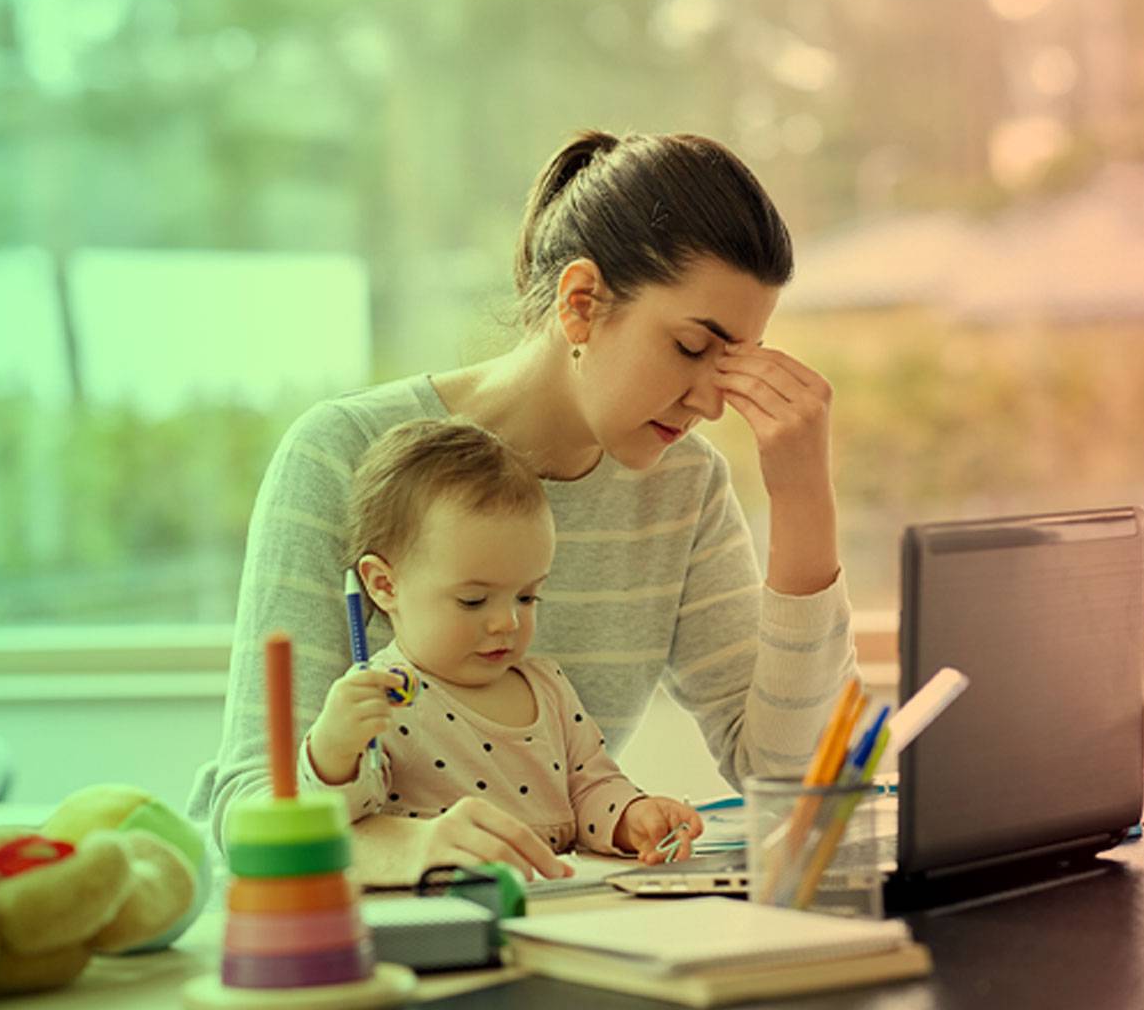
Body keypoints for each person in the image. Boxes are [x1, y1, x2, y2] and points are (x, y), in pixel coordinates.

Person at [188, 129, 855, 884]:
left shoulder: (684, 485)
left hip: (565, 928)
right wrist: (416, 846)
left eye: (736, 362)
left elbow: (798, 785)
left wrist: (804, 503)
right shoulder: (341, 452)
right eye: (692, 348)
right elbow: (250, 809)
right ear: (580, 303)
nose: (712, 401)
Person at [306, 418, 703, 869]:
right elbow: (335, 823)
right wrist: (334, 751)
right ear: (384, 585)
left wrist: (632, 817)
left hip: (557, 906)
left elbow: (591, 787)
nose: (507, 621)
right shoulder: (381, 698)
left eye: (527, 595)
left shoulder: (548, 687)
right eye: (473, 600)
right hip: (447, 915)